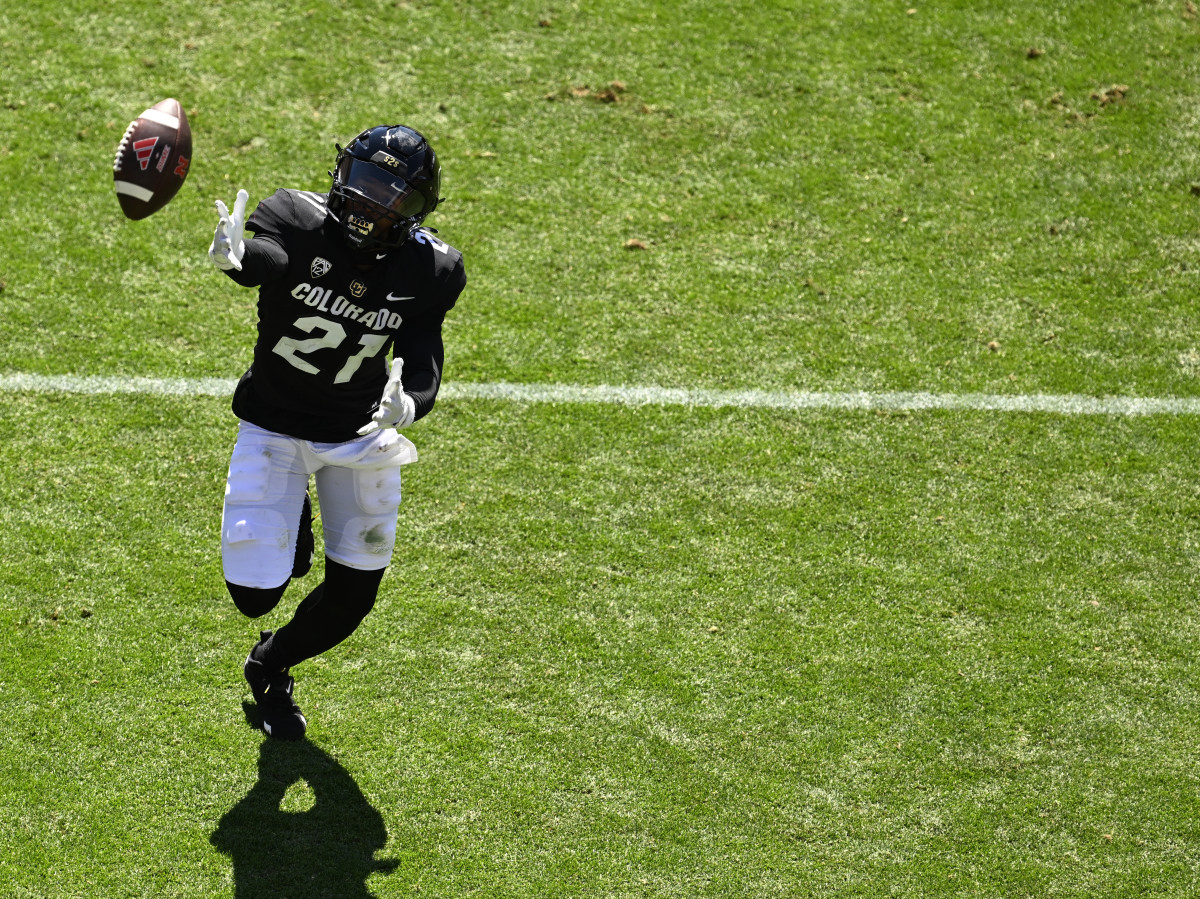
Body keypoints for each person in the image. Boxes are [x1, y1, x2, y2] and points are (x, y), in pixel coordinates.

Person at [208, 124, 466, 740]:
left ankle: (271, 665)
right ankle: (292, 504)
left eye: (392, 195)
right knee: (253, 594)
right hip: (275, 423)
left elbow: (423, 352)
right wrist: (241, 258)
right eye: (365, 183)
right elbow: (271, 260)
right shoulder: (295, 220)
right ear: (341, 173)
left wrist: (412, 404)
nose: (372, 204)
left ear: (416, 209)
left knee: (352, 598)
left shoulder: (430, 269)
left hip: (358, 435)